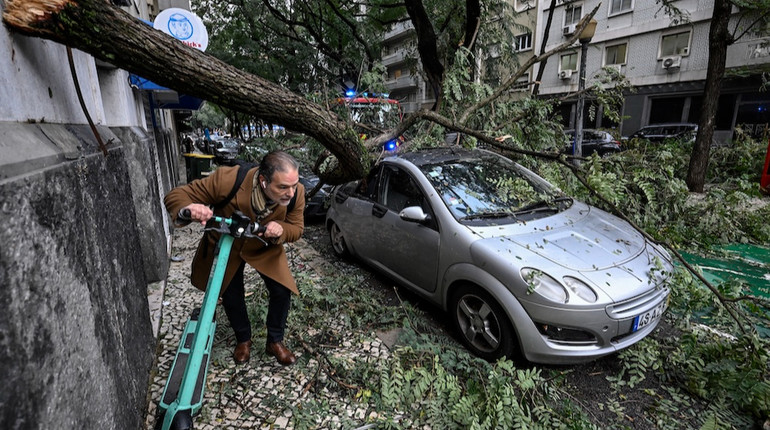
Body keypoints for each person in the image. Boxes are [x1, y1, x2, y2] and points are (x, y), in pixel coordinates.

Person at [164, 150, 305, 366]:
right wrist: (189, 208)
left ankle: (274, 341)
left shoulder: (297, 192)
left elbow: (297, 228)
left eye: (294, 185)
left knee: (281, 290)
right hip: (226, 245)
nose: (290, 192)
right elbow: (176, 196)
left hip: (263, 246)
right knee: (231, 292)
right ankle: (243, 339)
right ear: (263, 181)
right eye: (283, 187)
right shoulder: (228, 179)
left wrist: (282, 230)